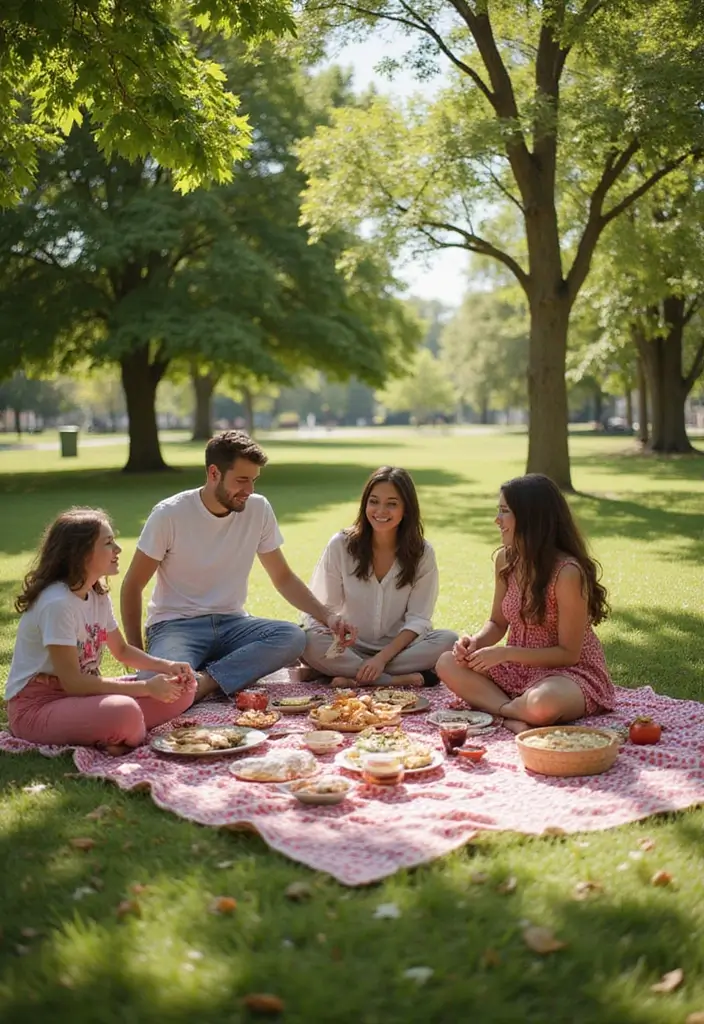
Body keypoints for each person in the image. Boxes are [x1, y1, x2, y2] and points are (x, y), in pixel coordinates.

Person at [120, 430, 352, 702]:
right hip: (176, 626)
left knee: (292, 637)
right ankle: (218, 677)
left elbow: (283, 577)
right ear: (214, 473)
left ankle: (206, 683)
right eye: (242, 480)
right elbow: (132, 585)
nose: (249, 491)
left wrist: (328, 616)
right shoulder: (169, 514)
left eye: (253, 481)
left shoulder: (258, 509)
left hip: (234, 624)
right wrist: (140, 658)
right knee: (156, 687)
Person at [6, 508, 196, 756]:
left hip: (83, 697)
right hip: (38, 707)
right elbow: (73, 683)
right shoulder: (57, 604)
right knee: (124, 712)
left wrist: (168, 666)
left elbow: (122, 650)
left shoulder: (96, 593)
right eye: (108, 543)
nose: (118, 549)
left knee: (184, 687)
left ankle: (116, 729)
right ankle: (121, 728)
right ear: (81, 553)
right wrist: (148, 688)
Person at [436, 474, 615, 734]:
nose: (497, 520)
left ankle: (508, 710)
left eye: (505, 511)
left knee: (542, 704)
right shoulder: (505, 560)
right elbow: (497, 623)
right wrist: (475, 642)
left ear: (531, 518)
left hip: (568, 674)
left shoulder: (567, 572)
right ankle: (512, 713)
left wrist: (505, 653)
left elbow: (568, 653)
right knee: (446, 663)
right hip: (517, 670)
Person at [302, 466, 457, 687]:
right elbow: (324, 606)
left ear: (406, 509)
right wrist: (337, 629)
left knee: (448, 640)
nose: (380, 511)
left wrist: (381, 659)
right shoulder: (341, 545)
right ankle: (395, 680)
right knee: (307, 640)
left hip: (398, 650)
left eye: (392, 504)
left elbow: (419, 618)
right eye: (373, 501)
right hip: (348, 646)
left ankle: (351, 676)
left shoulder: (422, 553)